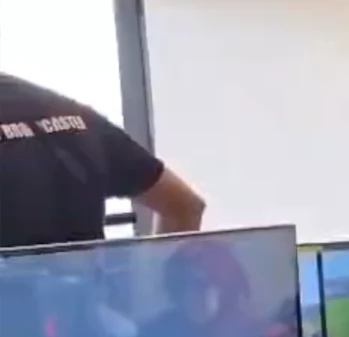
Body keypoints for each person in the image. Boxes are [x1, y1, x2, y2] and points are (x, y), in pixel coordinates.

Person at [1, 73, 205, 249]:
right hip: (90, 282)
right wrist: (154, 278)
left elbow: (183, 206)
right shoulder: (67, 112)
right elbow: (184, 207)